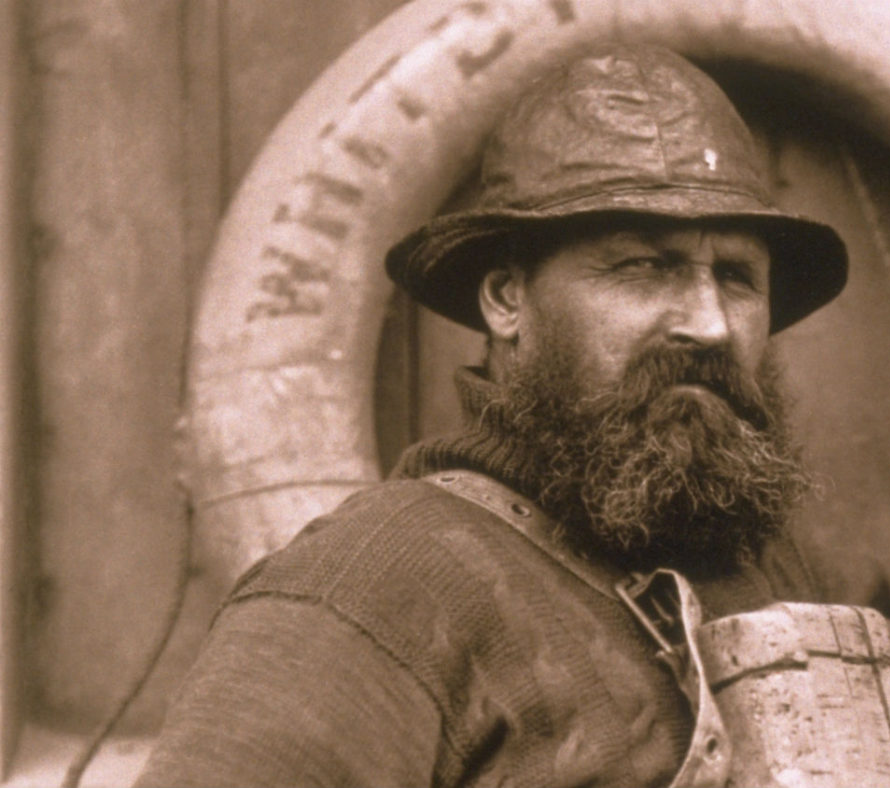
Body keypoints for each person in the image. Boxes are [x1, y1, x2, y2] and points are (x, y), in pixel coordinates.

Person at [135, 42, 849, 787]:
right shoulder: (367, 585)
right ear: (508, 300)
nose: (709, 324)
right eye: (645, 267)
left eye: (736, 277)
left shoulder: (772, 568)